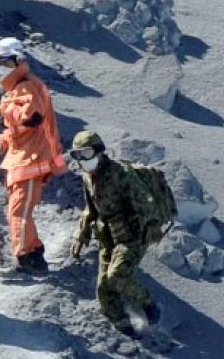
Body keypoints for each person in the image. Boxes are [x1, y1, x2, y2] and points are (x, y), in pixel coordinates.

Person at [69, 130, 163, 337]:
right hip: (108, 238)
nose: (82, 160)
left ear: (99, 151)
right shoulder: (88, 178)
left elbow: (145, 200)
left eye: (86, 153)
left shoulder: (121, 173)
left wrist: (152, 227)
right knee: (104, 290)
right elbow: (90, 209)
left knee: (117, 276)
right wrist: (81, 235)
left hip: (132, 236)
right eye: (77, 155)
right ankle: (124, 328)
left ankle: (149, 305)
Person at [0, 37, 66, 278]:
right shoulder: (16, 89)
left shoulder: (27, 86)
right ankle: (33, 256)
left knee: (19, 212)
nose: (2, 65)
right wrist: (2, 141)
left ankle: (26, 261)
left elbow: (32, 118)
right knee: (17, 211)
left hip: (32, 158)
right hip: (21, 157)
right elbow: (18, 128)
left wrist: (8, 114)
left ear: (18, 59)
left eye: (6, 60)